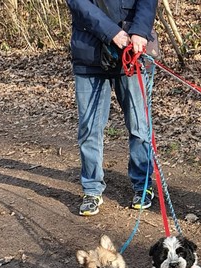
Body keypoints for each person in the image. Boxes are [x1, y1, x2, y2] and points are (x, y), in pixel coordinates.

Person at [66, 0, 158, 216]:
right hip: (89, 54)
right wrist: (112, 32)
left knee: (139, 125)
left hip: (132, 52)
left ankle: (143, 185)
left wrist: (140, 32)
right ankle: (91, 189)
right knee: (89, 129)